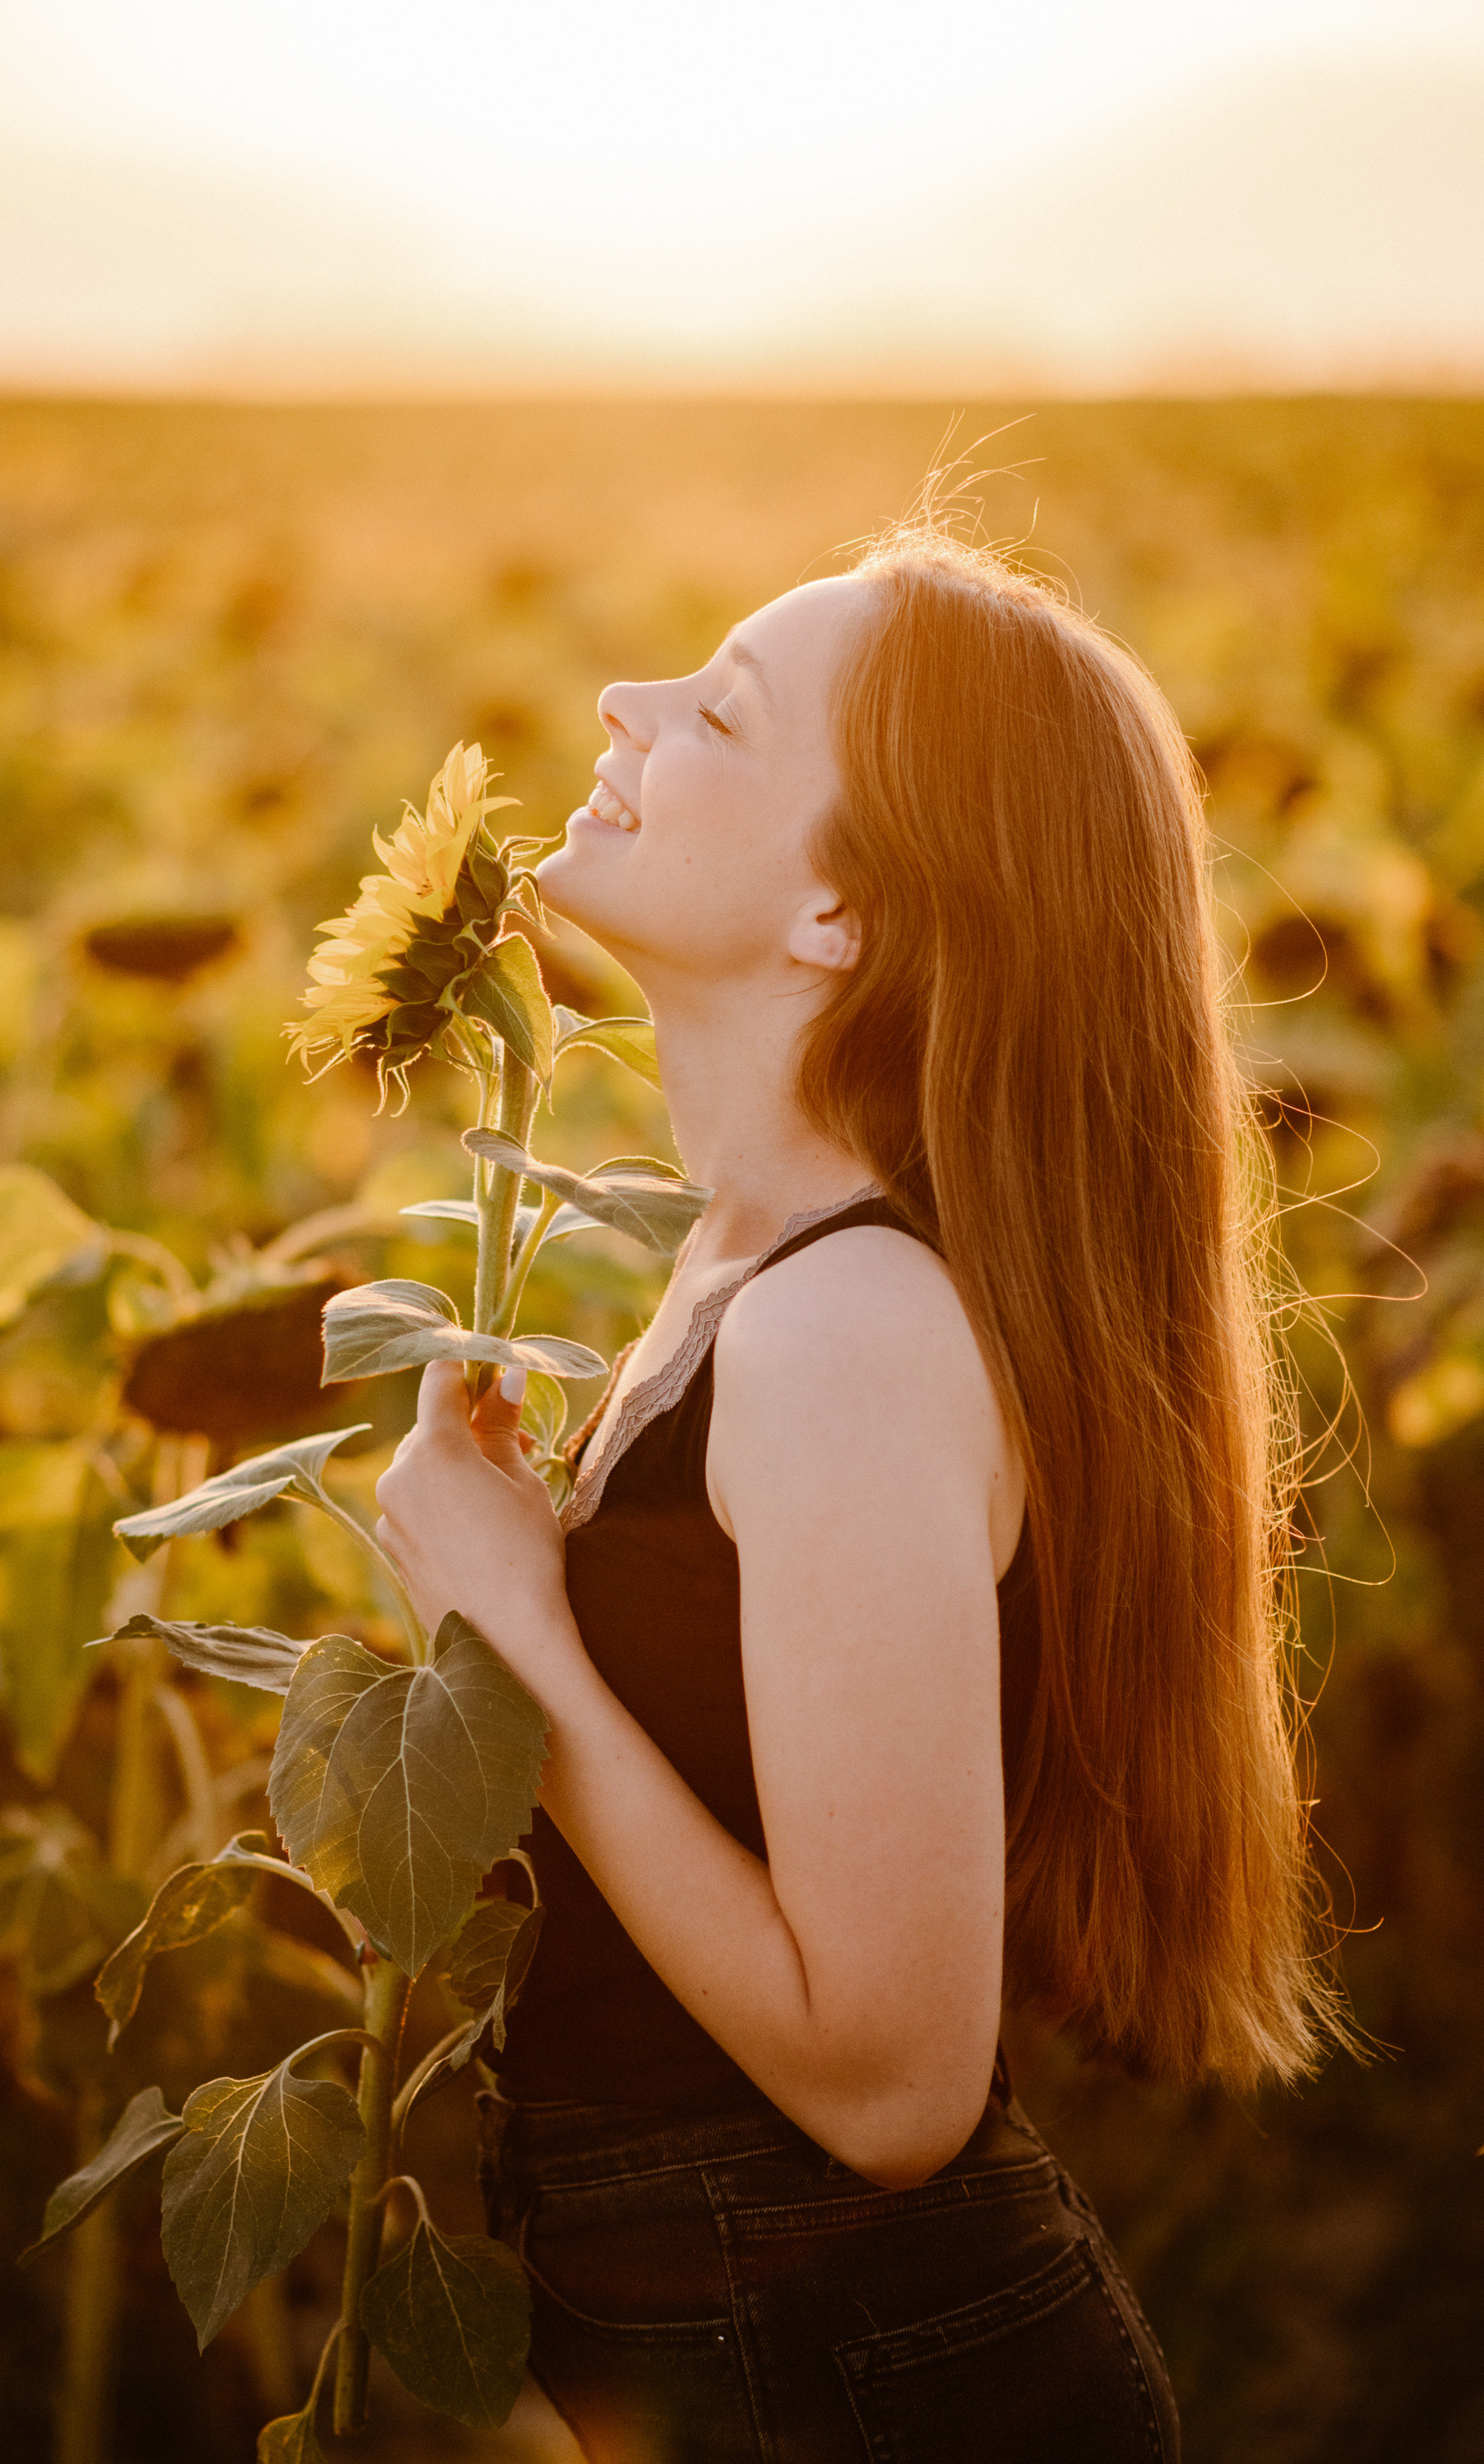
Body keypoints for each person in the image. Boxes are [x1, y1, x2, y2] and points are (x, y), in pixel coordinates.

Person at [372, 513, 1344, 2462]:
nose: (620, 706)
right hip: (758, 2354)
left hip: (864, 2378)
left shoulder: (848, 1330)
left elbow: (889, 2082)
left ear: (843, 916)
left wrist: (513, 1639)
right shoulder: (755, 1267)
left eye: (720, 712)